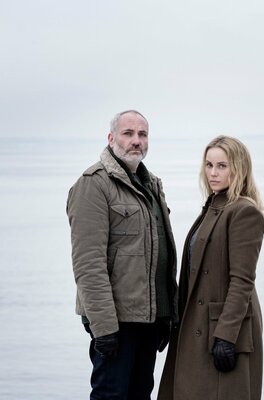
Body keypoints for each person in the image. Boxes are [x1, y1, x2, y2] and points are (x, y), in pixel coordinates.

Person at [66, 110, 178, 400]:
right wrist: (104, 329)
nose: (136, 141)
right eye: (128, 134)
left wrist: (166, 315)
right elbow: (88, 265)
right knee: (110, 395)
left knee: (141, 394)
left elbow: (158, 252)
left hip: (148, 321)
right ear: (111, 137)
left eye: (142, 135)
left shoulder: (151, 184)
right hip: (116, 324)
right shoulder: (93, 184)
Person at [158, 135, 264, 400]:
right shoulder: (214, 206)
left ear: (238, 168)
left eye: (222, 166)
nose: (213, 173)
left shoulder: (243, 212)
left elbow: (242, 281)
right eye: (209, 165)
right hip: (199, 327)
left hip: (223, 331)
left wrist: (226, 337)